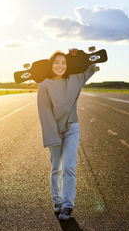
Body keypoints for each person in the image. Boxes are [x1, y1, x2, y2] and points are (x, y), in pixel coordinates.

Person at [37, 49, 99, 220]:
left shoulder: (74, 80)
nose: (60, 66)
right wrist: (52, 135)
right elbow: (44, 113)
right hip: (54, 129)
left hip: (72, 128)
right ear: (51, 64)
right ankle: (57, 201)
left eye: (64, 63)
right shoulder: (44, 85)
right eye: (57, 62)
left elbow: (91, 66)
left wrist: (81, 54)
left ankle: (67, 205)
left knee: (69, 167)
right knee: (56, 167)